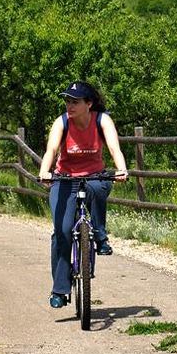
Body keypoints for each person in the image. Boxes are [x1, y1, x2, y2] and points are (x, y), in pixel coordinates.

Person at [38, 80, 128, 308]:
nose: (70, 105)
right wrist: (44, 172)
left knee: (99, 188)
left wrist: (121, 169)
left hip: (94, 176)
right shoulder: (62, 123)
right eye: (67, 101)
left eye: (75, 102)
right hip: (65, 179)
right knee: (62, 232)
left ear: (89, 104)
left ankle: (100, 235)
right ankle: (60, 290)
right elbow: (51, 149)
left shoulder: (101, 120)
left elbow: (114, 148)